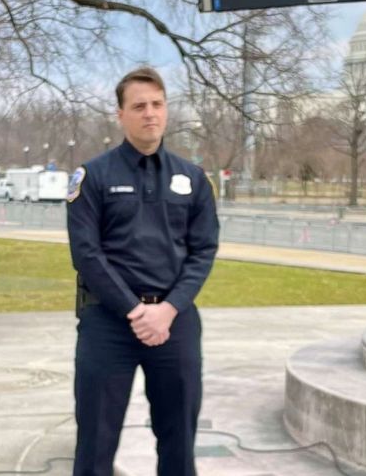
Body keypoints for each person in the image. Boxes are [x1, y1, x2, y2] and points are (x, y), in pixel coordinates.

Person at [67, 66, 219, 475]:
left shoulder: (193, 179)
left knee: (178, 441)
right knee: (95, 443)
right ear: (120, 114)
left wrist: (167, 310)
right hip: (108, 324)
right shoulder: (93, 176)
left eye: (157, 104)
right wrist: (135, 311)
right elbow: (86, 253)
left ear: (166, 109)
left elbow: (203, 250)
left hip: (175, 323)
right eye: (138, 106)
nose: (149, 113)